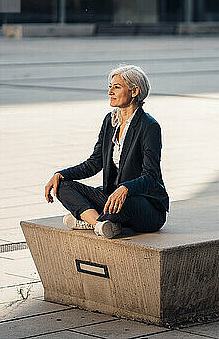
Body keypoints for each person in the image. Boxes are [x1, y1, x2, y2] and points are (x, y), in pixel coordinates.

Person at [44, 65, 169, 239]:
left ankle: (87, 218)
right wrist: (61, 174)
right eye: (110, 86)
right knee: (63, 187)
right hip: (113, 195)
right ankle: (100, 224)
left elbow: (151, 175)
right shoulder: (110, 121)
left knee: (118, 202)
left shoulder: (149, 126)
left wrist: (125, 188)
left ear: (134, 91)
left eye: (117, 87)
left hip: (144, 204)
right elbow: (94, 163)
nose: (110, 91)